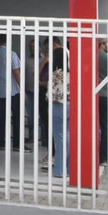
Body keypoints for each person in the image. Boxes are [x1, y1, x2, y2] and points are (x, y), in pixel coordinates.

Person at [0, 33, 27, 152]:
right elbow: (16, 73)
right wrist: (22, 88)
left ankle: (1, 142)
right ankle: (17, 143)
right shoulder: (12, 54)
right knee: (17, 118)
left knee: (0, 118)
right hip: (12, 91)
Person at [44, 43, 69, 178]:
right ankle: (69, 167)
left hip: (58, 105)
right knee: (68, 137)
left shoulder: (56, 74)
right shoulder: (72, 73)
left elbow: (51, 93)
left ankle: (59, 169)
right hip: (71, 105)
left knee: (59, 138)